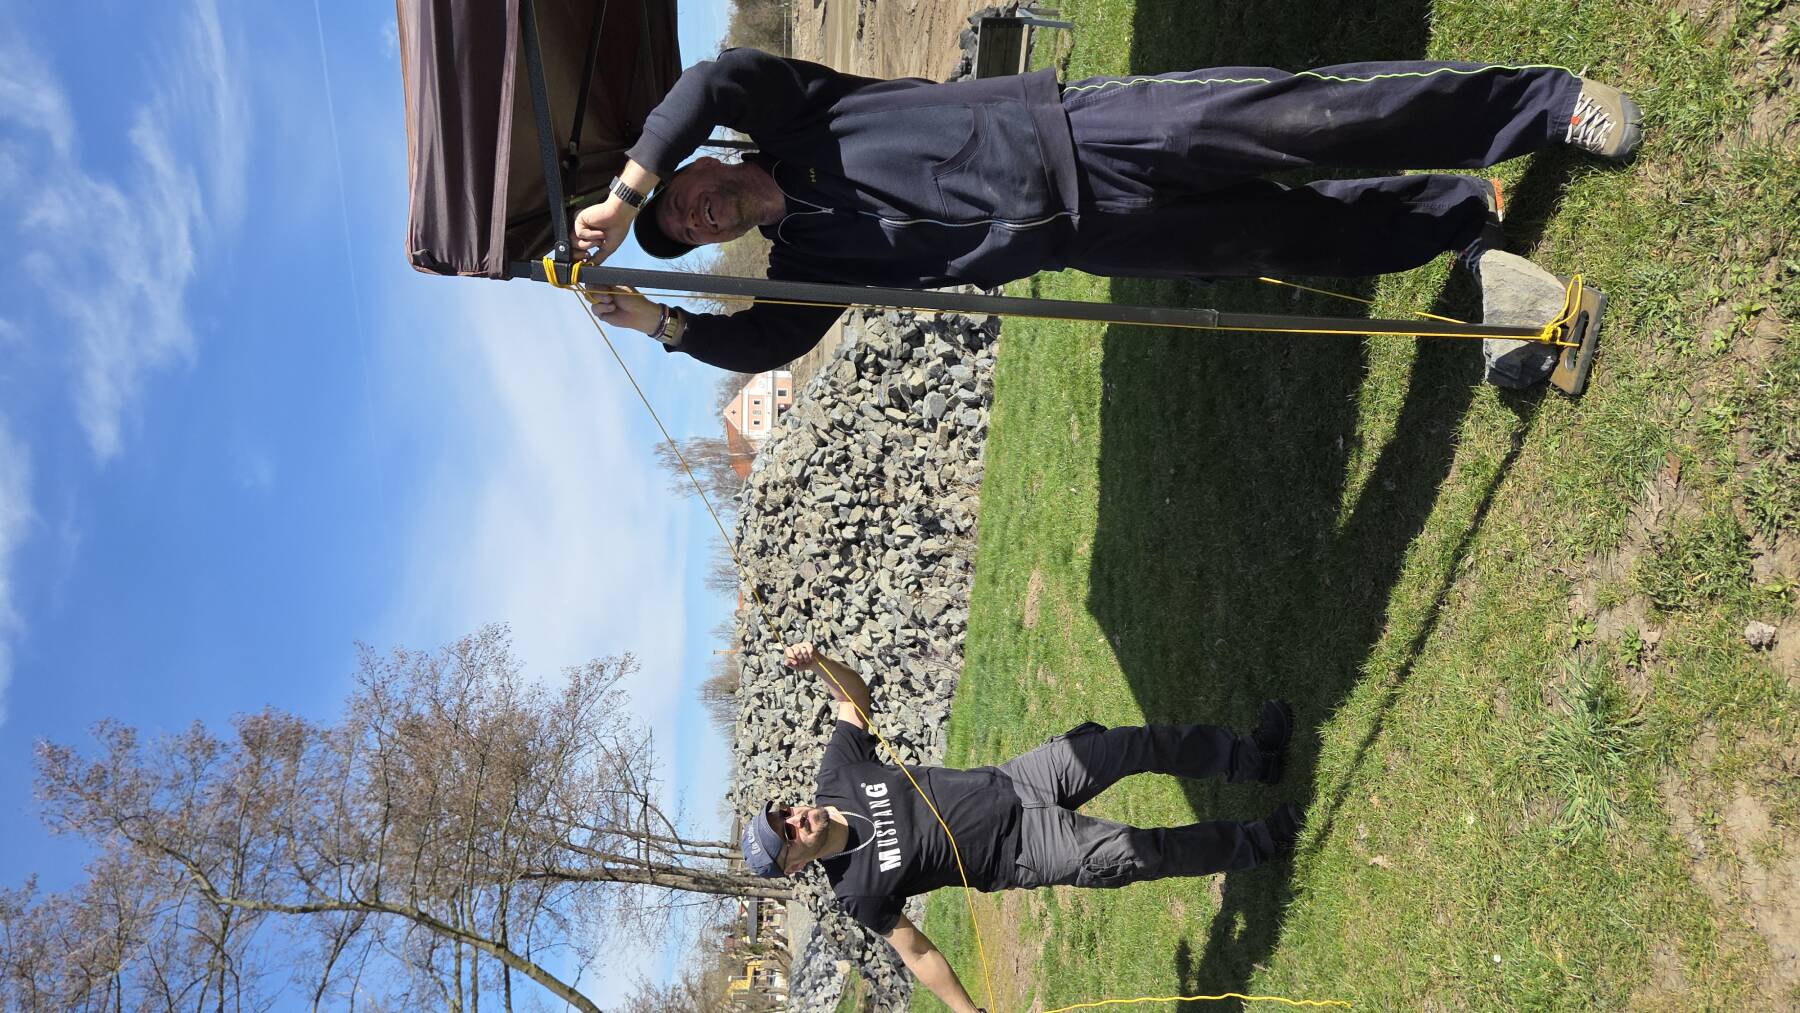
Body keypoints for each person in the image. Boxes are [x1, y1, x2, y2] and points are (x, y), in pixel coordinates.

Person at [572, 48, 1642, 374]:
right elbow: (768, 341)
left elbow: (714, 79)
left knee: (1303, 122)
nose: (698, 216)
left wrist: (625, 195)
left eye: (684, 199)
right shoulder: (810, 256)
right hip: (1085, 236)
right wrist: (660, 320)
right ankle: (1457, 216)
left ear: (696, 165)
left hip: (1081, 130)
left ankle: (1545, 104)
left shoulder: (794, 116)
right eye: (689, 233)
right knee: (1284, 236)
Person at [740, 641, 1299, 1013]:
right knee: (1140, 850)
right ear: (794, 865)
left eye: (783, 813)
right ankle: (1263, 841)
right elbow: (917, 952)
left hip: (1016, 780)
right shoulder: (857, 891)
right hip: (1023, 849)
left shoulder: (836, 777)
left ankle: (1253, 757)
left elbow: (853, 698)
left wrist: (820, 663)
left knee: (1133, 745)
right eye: (786, 834)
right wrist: (969, 1012)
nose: (794, 818)